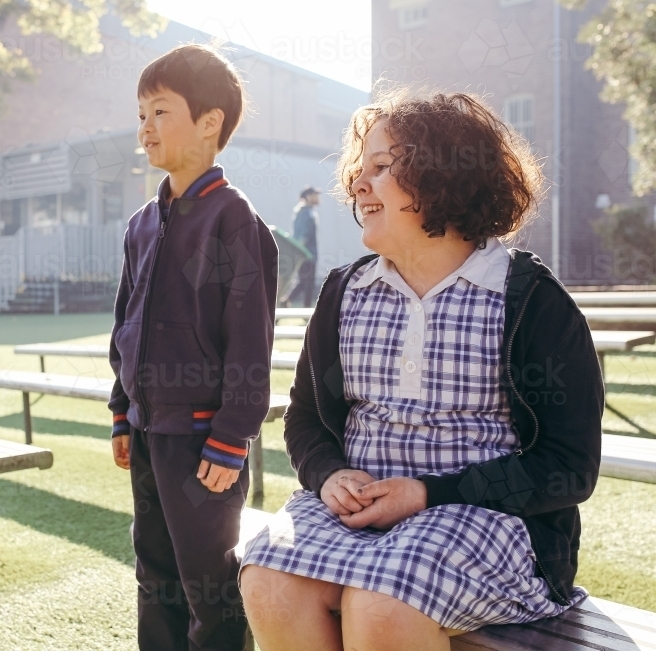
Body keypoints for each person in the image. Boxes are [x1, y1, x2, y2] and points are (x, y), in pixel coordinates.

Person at [239, 91, 603, 650]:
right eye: (359, 172)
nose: (359, 185)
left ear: (447, 178)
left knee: (382, 604)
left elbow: (568, 467)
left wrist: (427, 493)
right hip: (353, 519)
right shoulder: (344, 292)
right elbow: (307, 419)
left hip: (485, 521)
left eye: (382, 167)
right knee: (266, 578)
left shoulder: (529, 301)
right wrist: (328, 474)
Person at [108, 44, 279, 651]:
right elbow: (126, 323)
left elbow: (250, 344)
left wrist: (233, 436)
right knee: (154, 574)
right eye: (141, 114)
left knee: (210, 586)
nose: (145, 127)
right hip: (149, 432)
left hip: (206, 442)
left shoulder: (235, 221)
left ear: (210, 124)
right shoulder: (141, 225)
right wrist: (120, 412)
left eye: (160, 111)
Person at [287, 186, 320, 307]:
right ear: (308, 197)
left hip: (305, 254)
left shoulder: (303, 211)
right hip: (306, 255)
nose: (317, 198)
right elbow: (302, 236)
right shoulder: (306, 213)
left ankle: (286, 301)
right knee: (308, 284)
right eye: (315, 195)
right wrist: (300, 254)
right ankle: (304, 310)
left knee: (304, 282)